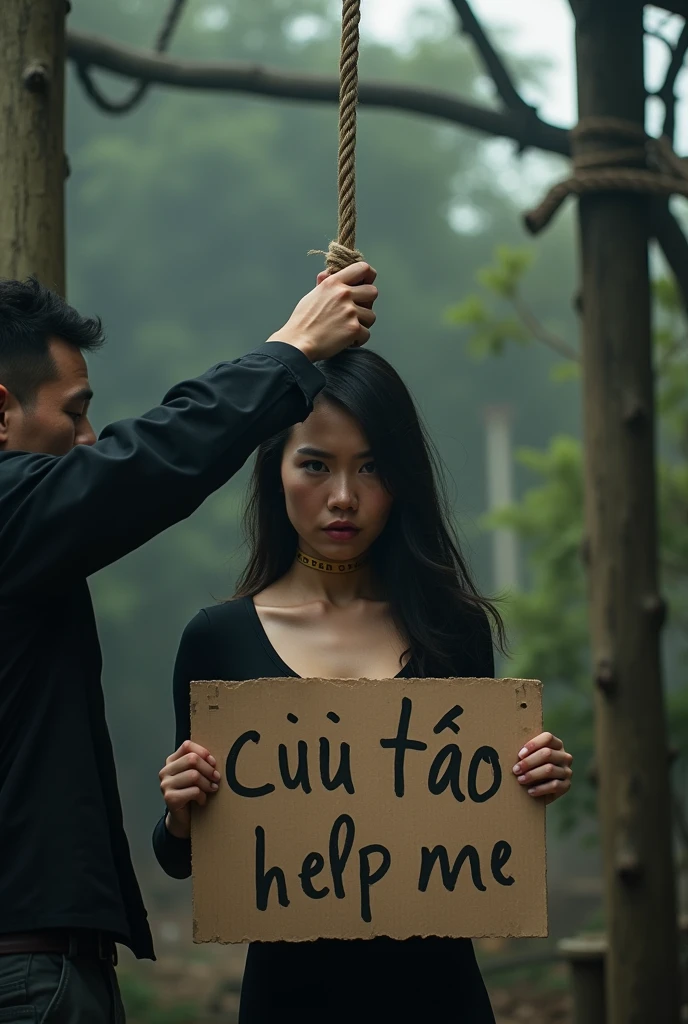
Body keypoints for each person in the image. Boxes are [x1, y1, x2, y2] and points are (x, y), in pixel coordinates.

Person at [0, 264, 378, 1023]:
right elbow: (146, 462)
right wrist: (292, 350)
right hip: (25, 970)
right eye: (73, 414)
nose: (87, 438)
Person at [154, 347, 574, 1024]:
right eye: (316, 464)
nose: (343, 496)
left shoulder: (452, 631)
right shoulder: (216, 641)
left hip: (437, 997)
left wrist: (528, 779)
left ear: (402, 478)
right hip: (290, 1000)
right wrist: (180, 812)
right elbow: (184, 859)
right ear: (277, 471)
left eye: (371, 466)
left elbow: (473, 821)